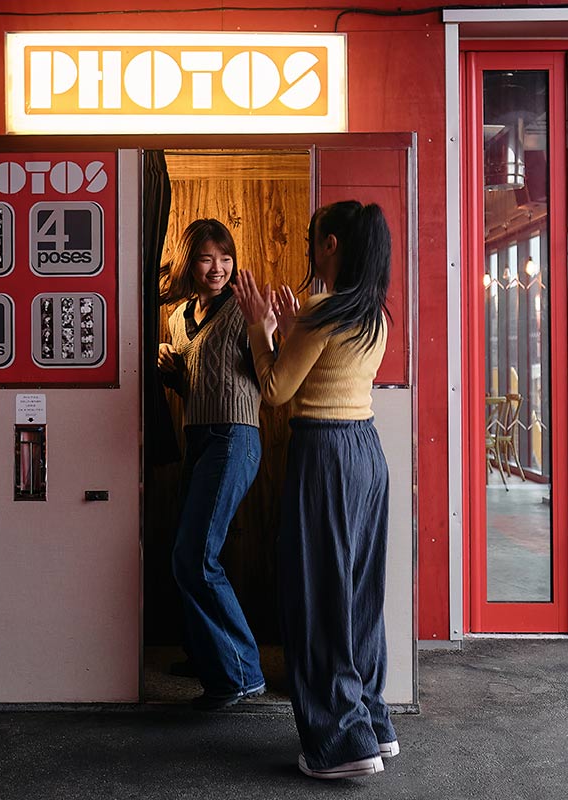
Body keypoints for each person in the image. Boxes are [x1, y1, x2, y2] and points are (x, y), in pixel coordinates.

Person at [232, 201, 397, 779]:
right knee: (357, 593)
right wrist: (289, 325)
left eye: (313, 239)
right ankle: (371, 722)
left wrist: (260, 326)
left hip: (324, 454)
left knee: (317, 595)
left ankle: (340, 745)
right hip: (366, 453)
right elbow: (317, 370)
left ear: (330, 244)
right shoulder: (371, 314)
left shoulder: (321, 312)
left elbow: (276, 388)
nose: (309, 246)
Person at [157, 218, 266, 711]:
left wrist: (269, 330)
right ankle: (211, 659)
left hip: (235, 437)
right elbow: (198, 381)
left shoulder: (247, 309)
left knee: (196, 556)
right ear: (190, 262)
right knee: (186, 554)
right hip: (197, 437)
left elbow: (270, 373)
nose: (217, 267)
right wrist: (172, 372)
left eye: (225, 257)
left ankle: (242, 673)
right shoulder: (178, 316)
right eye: (206, 257)